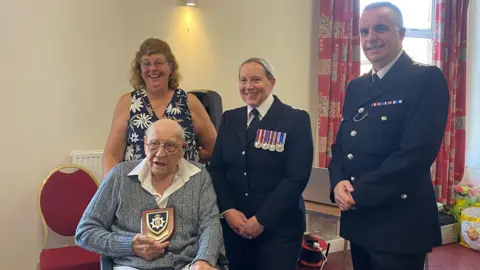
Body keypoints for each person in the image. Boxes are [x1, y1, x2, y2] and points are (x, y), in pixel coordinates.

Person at [328, 2, 449, 270]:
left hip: (399, 224)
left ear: (401, 33)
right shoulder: (357, 86)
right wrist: (337, 183)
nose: (370, 38)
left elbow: (415, 154)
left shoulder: (425, 79)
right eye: (364, 31)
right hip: (360, 220)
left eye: (380, 28)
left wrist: (359, 191)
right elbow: (341, 147)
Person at [209, 57, 314, 270]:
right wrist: (228, 210)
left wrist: (261, 219)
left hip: (279, 229)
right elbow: (217, 169)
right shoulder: (230, 118)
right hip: (236, 227)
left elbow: (296, 177)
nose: (248, 87)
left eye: (256, 80)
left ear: (271, 82)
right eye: (243, 80)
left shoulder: (295, 119)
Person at [76, 119, 222, 270]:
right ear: (145, 144)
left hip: (185, 265)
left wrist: (204, 260)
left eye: (170, 145)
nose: (160, 153)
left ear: (182, 148)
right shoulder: (120, 176)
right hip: (132, 266)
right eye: (154, 144)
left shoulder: (198, 176)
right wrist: (129, 245)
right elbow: (85, 232)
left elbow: (210, 224)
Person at [102, 38, 217, 177]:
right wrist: (111, 188)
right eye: (146, 64)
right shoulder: (128, 102)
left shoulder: (189, 102)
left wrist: (190, 160)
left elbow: (214, 148)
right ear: (140, 69)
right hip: (137, 189)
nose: (152, 69)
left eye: (158, 63)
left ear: (170, 67)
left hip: (184, 188)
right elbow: (112, 154)